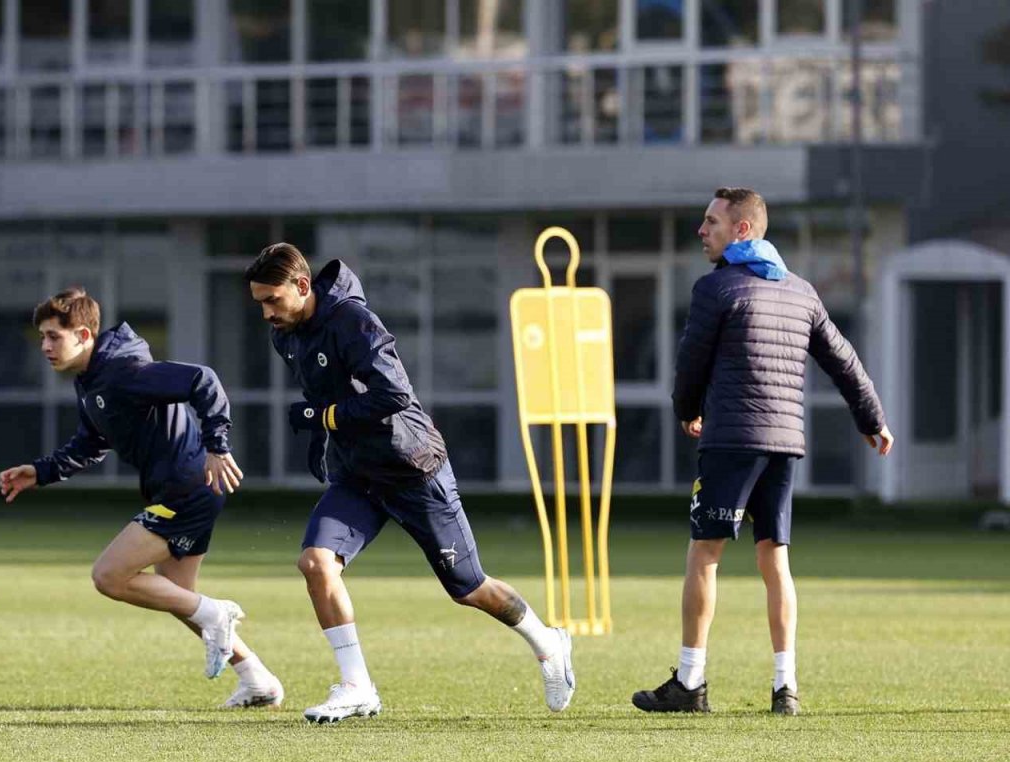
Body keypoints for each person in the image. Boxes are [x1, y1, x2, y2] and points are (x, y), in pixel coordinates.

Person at [245, 243, 575, 724]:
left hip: (413, 468)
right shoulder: (288, 334)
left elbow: (394, 393)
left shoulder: (353, 321)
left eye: (272, 300)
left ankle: (548, 642)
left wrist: (327, 417)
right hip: (357, 475)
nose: (266, 313)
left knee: (469, 588)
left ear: (301, 286)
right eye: (259, 303)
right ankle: (357, 687)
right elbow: (324, 394)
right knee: (316, 563)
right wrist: (323, 441)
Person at [632, 188, 894, 717]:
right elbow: (843, 358)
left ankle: (690, 682)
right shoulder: (801, 291)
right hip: (784, 444)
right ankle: (785, 688)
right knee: (775, 560)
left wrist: (686, 410)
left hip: (731, 438)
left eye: (711, 222)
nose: (702, 230)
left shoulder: (716, 289)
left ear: (742, 230)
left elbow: (690, 364)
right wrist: (873, 420)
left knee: (704, 555)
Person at [0, 288, 284, 709]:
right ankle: (257, 679)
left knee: (109, 576)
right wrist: (40, 472)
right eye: (41, 336)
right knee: (177, 596)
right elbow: (91, 442)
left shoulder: (124, 371)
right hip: (183, 488)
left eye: (53, 336)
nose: (44, 346)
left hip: (188, 486)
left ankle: (219, 615)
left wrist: (217, 445)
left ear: (83, 334)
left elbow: (202, 379)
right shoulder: (91, 379)